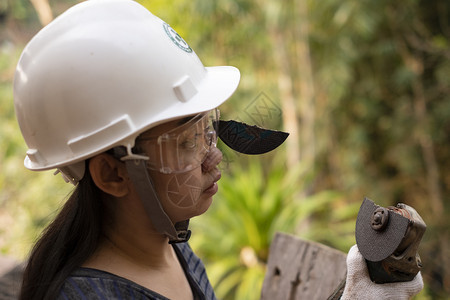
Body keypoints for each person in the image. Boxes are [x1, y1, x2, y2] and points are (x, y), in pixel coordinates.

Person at [13, 0, 423, 299]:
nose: (213, 157)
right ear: (114, 173)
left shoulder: (172, 249)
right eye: (186, 143)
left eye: (207, 130)